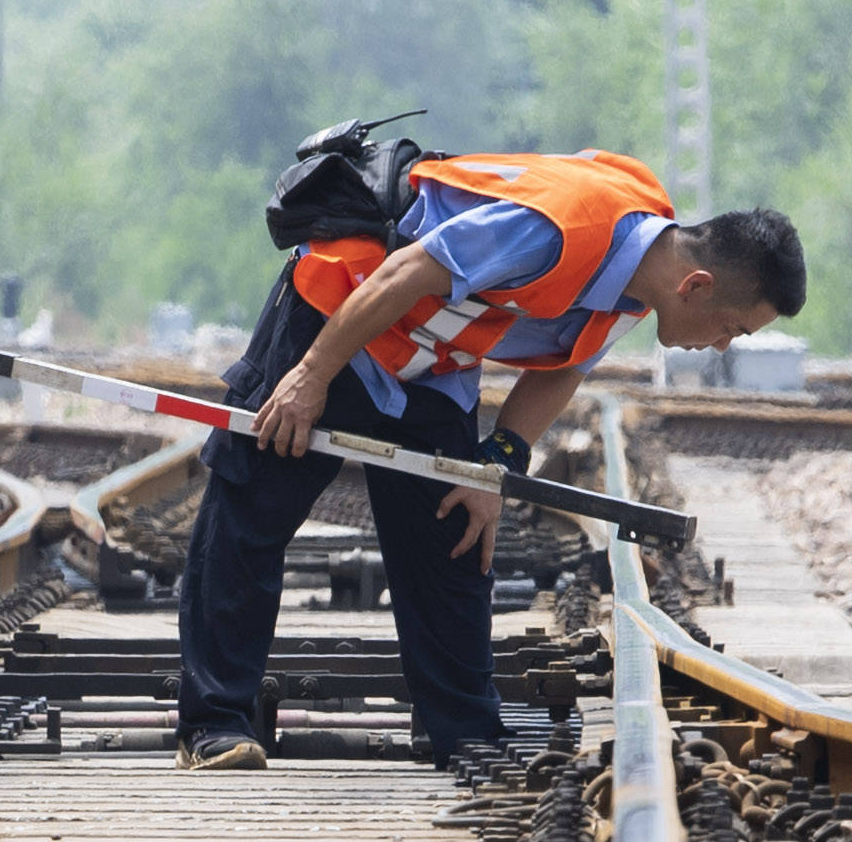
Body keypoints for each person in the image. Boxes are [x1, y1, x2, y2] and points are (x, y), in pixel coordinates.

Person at [175, 151, 802, 771]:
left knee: (456, 527)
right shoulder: (562, 230)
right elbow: (404, 274)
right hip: (341, 315)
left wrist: (496, 464)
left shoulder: (641, 282)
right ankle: (213, 724)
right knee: (250, 508)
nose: (721, 346)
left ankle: (464, 731)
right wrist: (310, 375)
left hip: (432, 365)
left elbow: (565, 369)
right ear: (698, 286)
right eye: (731, 330)